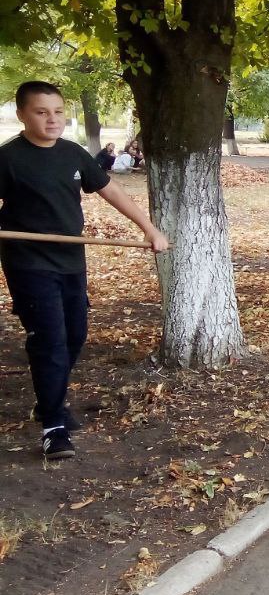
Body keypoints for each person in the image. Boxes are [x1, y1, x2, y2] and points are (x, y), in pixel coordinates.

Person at [0, 81, 169, 459]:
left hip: (70, 261)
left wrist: (150, 228)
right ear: (22, 114)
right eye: (41, 112)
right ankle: (54, 425)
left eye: (58, 111)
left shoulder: (73, 154)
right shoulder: (8, 158)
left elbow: (111, 192)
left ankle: (49, 399)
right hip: (28, 262)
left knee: (75, 335)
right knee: (51, 341)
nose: (52, 119)